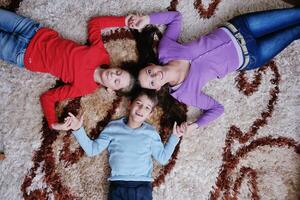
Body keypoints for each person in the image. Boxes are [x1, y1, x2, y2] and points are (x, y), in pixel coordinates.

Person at [130, 8, 300, 128]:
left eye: (149, 72)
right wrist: (195, 126)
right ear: (158, 88)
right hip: (252, 56)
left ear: (151, 65)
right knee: (295, 32)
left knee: (295, 14)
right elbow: (217, 109)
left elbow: (176, 17)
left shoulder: (165, 50)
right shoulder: (184, 93)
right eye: (152, 82)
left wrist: (147, 19)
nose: (155, 76)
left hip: (240, 27)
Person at [0, 9, 136, 130]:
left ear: (110, 89)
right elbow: (95, 23)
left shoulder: (85, 88)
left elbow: (48, 97)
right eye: (118, 72)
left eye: (116, 81)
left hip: (24, 54)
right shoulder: (101, 55)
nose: (113, 75)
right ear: (117, 67)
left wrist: (53, 123)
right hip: (34, 31)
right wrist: (124, 21)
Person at [67, 89, 188, 200]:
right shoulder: (113, 127)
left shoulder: (151, 133)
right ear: (130, 104)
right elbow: (92, 150)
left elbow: (162, 158)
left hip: (142, 186)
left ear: (150, 114)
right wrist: (78, 129)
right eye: (139, 103)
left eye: (147, 108)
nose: (141, 109)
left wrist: (175, 137)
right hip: (118, 186)